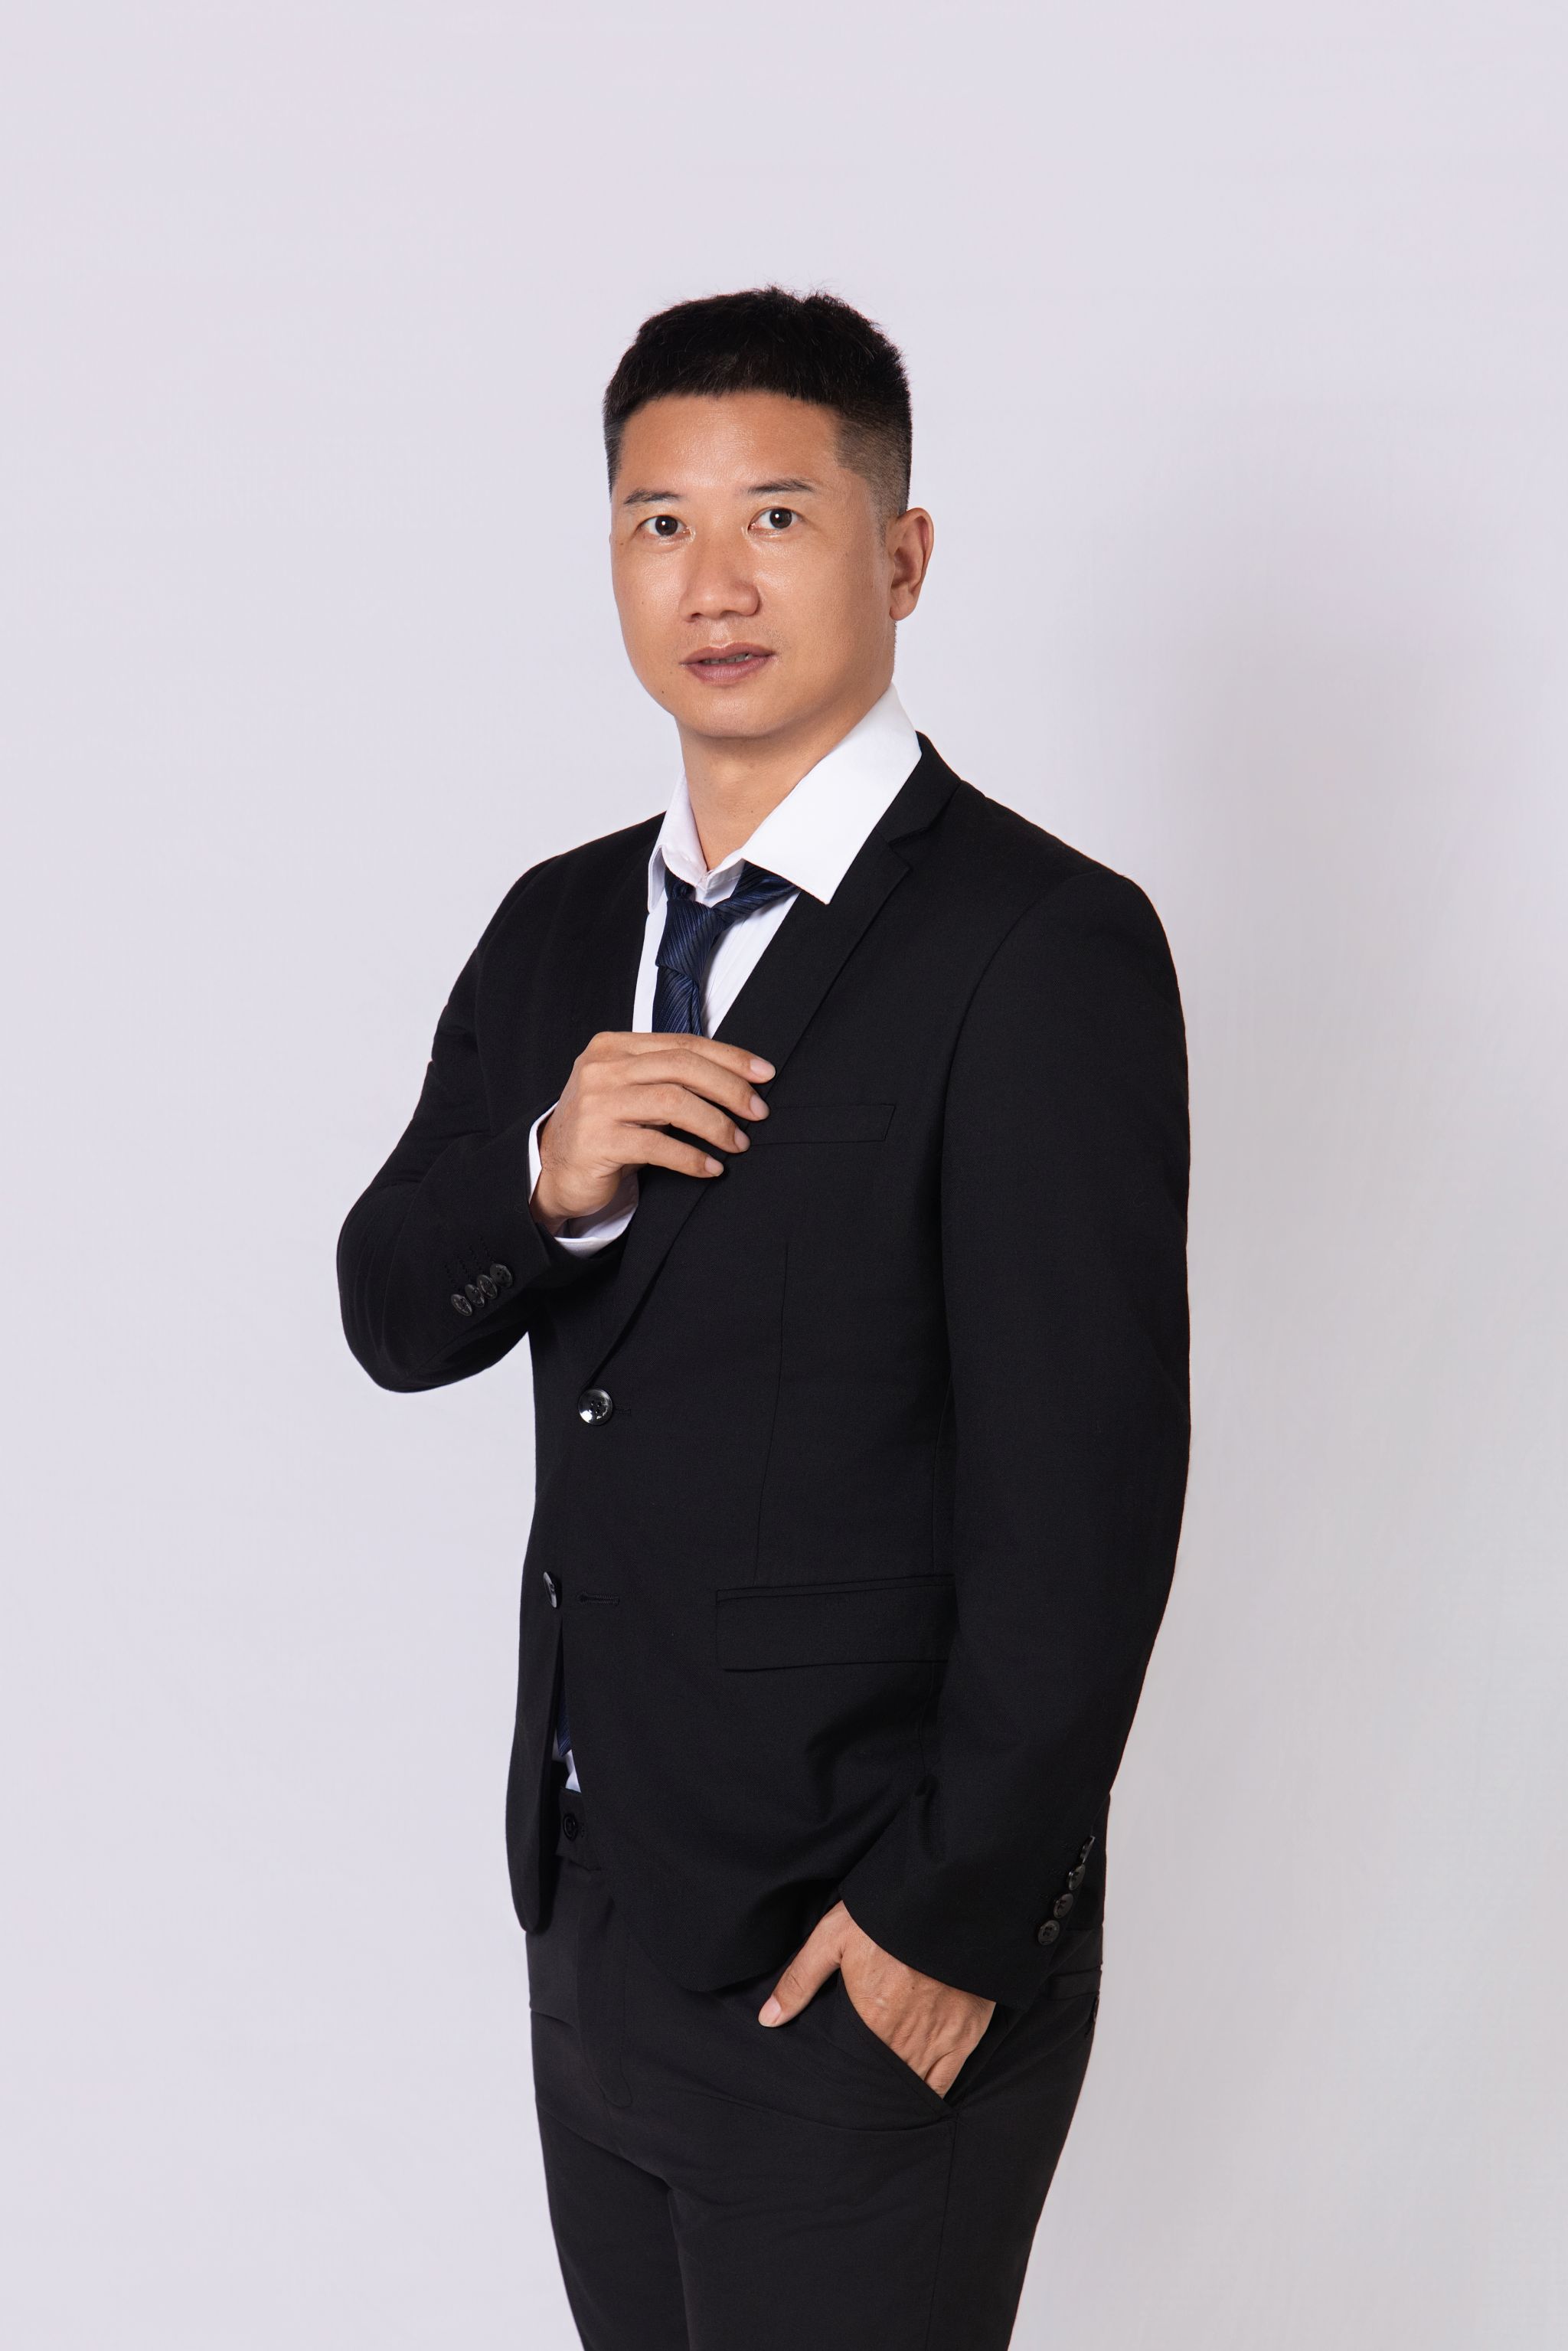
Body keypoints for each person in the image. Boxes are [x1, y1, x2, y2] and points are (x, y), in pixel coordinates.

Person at [337, 286, 1190, 2351]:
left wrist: (950, 1921)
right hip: (594, 1908)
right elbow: (392, 1306)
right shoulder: (560, 924)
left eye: (777, 518)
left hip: (861, 1942)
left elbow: (1089, 1497)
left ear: (901, 555)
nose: (711, 582)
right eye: (660, 524)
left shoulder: (1040, 945)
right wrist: (547, 1176)